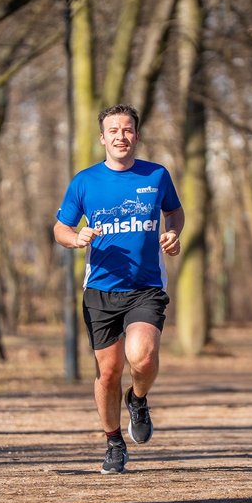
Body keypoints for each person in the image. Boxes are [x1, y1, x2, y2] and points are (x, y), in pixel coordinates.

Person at [53, 104, 185, 475]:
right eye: (113, 130)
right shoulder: (84, 181)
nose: (121, 136)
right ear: (103, 138)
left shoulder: (156, 175)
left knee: (142, 355)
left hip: (146, 285)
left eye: (127, 130)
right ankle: (113, 441)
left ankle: (138, 398)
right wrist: (76, 237)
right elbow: (60, 228)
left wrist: (173, 232)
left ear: (136, 136)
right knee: (108, 372)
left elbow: (175, 212)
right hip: (100, 288)